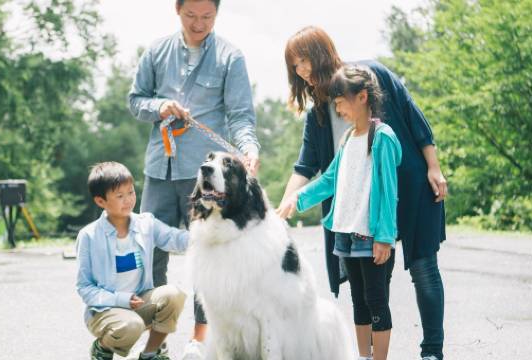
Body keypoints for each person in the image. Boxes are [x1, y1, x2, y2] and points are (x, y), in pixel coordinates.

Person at [276, 26, 448, 360]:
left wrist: (434, 166)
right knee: (370, 290)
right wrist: (287, 202)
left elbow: (413, 117)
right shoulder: (318, 114)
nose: (301, 71)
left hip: (409, 187)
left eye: (303, 61)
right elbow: (306, 167)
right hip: (358, 214)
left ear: (321, 54)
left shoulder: (370, 77)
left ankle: (432, 352)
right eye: (294, 67)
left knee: (424, 269)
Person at [128, 0, 260, 358]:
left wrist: (249, 149)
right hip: (159, 170)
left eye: (207, 17)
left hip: (204, 177)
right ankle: (155, 342)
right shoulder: (156, 51)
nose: (198, 23)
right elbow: (135, 100)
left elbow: (241, 116)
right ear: (177, 10)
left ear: (217, 14)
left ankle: (201, 341)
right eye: (191, 15)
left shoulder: (231, 57)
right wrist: (159, 107)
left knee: (207, 255)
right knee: (150, 253)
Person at [285, 65, 401, 360]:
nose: (337, 110)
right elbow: (329, 180)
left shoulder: (383, 137)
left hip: (372, 236)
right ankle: (363, 356)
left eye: (340, 102)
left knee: (376, 300)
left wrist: (385, 237)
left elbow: (389, 193)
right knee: (358, 301)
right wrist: (297, 198)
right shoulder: (348, 138)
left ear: (362, 97)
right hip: (346, 235)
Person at [77, 162, 189, 360]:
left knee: (174, 295)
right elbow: (85, 288)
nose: (128, 200)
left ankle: (150, 353)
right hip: (105, 311)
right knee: (132, 326)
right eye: (120, 196)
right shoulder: (89, 236)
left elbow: (175, 239)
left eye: (131, 192)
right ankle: (102, 348)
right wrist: (121, 299)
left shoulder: (146, 223)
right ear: (101, 201)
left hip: (139, 304)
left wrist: (209, 236)